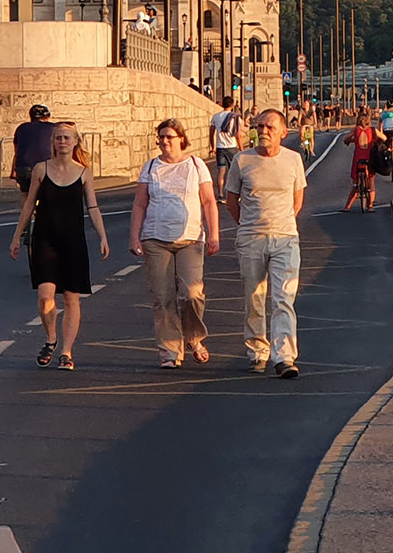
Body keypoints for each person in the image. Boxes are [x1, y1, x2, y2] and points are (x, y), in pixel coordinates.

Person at [11, 122, 107, 369]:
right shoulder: (41, 170)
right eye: (58, 138)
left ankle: (66, 352)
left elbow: (93, 207)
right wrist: (16, 237)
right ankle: (51, 338)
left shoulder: (84, 172)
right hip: (44, 239)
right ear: (52, 143)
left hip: (73, 241)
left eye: (67, 138)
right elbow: (29, 204)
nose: (62, 142)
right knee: (45, 297)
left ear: (75, 142)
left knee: (71, 297)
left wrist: (103, 237)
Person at [221, 108, 306, 377]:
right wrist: (247, 226)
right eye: (259, 127)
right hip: (251, 239)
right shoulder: (242, 160)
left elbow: (297, 199)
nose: (263, 132)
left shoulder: (293, 159)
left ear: (283, 132)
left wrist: (283, 223)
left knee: (283, 298)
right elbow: (231, 200)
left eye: (269, 127)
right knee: (254, 298)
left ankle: (284, 357)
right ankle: (258, 351)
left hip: (285, 238)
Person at [130, 118, 218, 367]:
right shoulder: (150, 167)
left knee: (192, 293)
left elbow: (209, 201)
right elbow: (140, 204)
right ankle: (169, 352)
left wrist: (214, 234)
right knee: (163, 297)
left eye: (170, 136)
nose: (165, 141)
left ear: (181, 138)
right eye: (161, 137)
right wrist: (134, 236)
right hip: (155, 239)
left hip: (190, 238)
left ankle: (194, 337)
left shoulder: (195, 164)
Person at [10, 103, 58, 192]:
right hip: (46, 167)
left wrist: (13, 170)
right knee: (47, 193)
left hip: (23, 167)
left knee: (25, 193)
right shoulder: (53, 128)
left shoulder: (21, 128)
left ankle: (26, 205)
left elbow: (17, 152)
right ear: (48, 117)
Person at [344, 113, 378, 212]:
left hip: (358, 159)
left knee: (355, 183)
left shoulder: (356, 130)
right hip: (369, 158)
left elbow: (345, 139)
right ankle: (370, 206)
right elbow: (384, 138)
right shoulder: (372, 130)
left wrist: (352, 139)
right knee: (371, 182)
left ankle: (347, 206)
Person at [209, 95, 245, 171]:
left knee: (221, 171)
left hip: (220, 147)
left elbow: (211, 133)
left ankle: (220, 183)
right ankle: (230, 183)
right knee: (233, 170)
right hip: (232, 146)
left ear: (222, 104)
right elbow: (238, 135)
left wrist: (213, 147)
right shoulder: (235, 117)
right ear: (232, 105)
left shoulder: (216, 116)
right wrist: (241, 148)